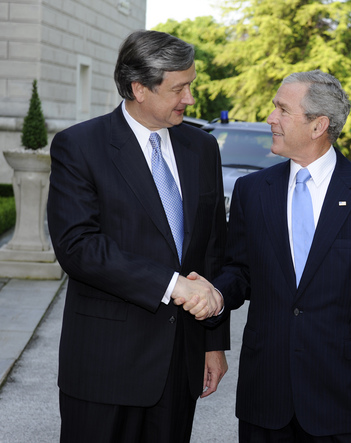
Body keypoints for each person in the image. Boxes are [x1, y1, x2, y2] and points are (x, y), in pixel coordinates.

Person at [186, 70, 351, 442]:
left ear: (318, 125)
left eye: (282, 110)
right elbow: (240, 271)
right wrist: (213, 293)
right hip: (266, 397)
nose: (270, 118)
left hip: (344, 400)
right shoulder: (252, 191)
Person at [47, 30, 229, 443]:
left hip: (179, 367)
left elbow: (213, 249)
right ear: (138, 88)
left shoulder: (203, 148)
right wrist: (171, 284)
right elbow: (78, 247)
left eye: (191, 85)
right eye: (179, 88)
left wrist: (213, 342)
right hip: (103, 367)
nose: (190, 99)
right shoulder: (80, 145)